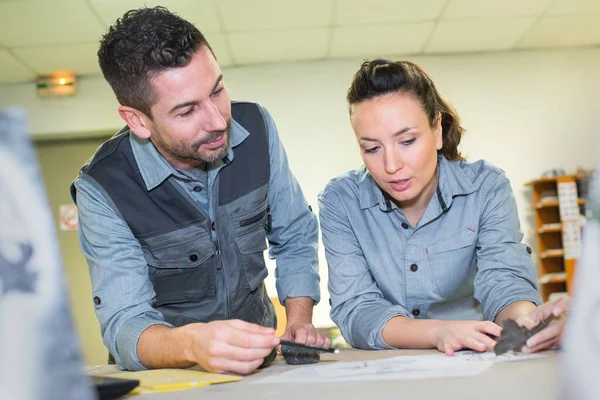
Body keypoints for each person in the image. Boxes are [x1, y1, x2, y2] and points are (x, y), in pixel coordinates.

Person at [70, 6, 328, 375]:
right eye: (187, 111)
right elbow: (124, 324)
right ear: (138, 120)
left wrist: (299, 319)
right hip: (169, 376)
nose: (218, 119)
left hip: (260, 367)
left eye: (218, 90)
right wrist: (194, 343)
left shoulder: (257, 126)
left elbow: (295, 233)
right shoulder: (102, 188)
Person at [318, 59, 567, 355]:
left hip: (474, 360)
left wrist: (525, 323)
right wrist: (437, 331)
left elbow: (504, 279)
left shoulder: (486, 186)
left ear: (437, 129)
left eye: (407, 141)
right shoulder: (340, 201)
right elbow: (357, 308)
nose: (391, 165)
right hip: (386, 370)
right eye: (371, 148)